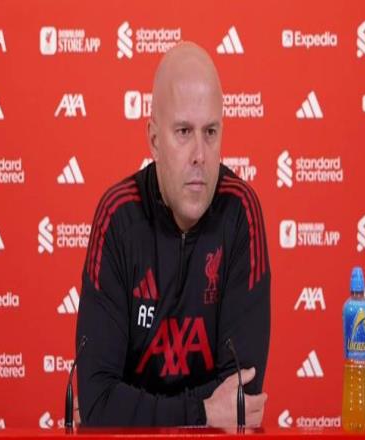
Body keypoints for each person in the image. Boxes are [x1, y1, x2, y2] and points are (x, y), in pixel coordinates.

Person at [76, 41, 270, 427]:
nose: (200, 154)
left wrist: (132, 406)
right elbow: (97, 404)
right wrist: (202, 411)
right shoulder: (118, 217)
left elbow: (240, 400)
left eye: (210, 132)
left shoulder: (240, 214)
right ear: (153, 140)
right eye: (183, 131)